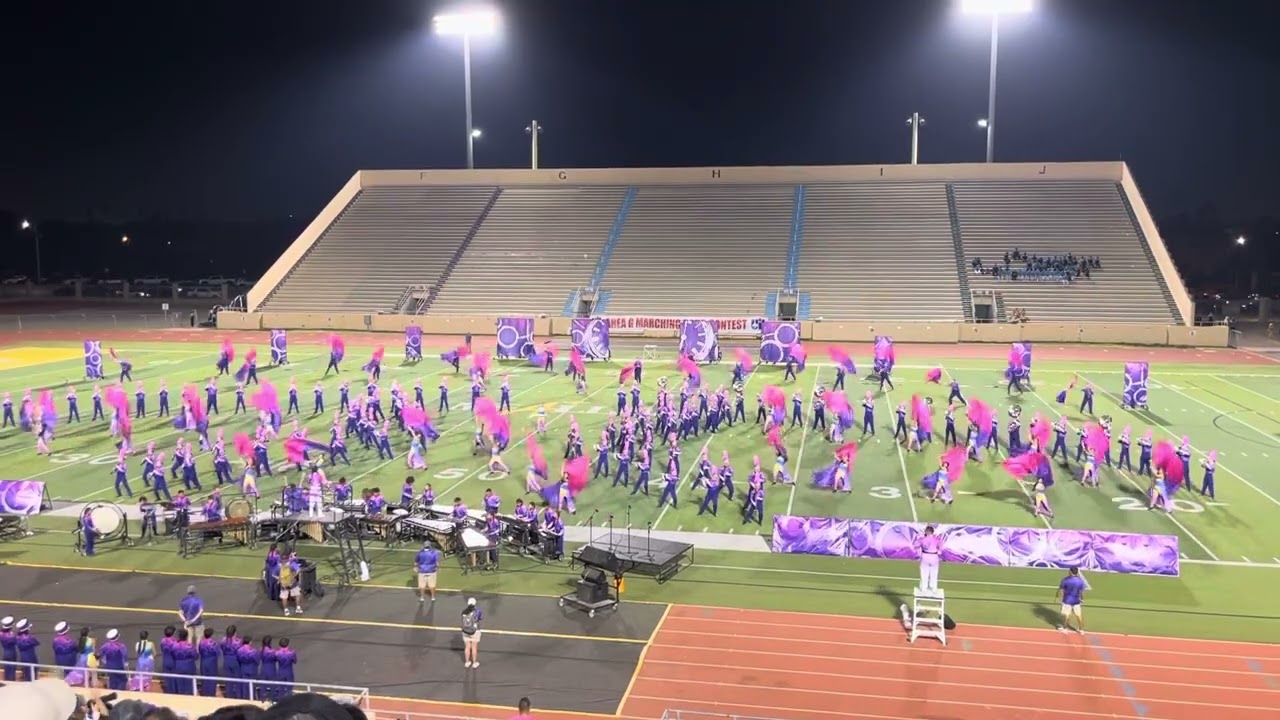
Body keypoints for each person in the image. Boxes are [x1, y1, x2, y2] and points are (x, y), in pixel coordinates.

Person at [1056, 567, 1087, 634]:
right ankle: (1081, 630)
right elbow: (1081, 592)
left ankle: (1065, 629)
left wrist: (1059, 598)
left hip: (1067, 600)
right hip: (1076, 600)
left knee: (1067, 615)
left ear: (1071, 572)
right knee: (1078, 615)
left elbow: (1061, 590)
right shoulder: (1080, 581)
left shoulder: (1066, 580)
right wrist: (1082, 599)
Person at [914, 525, 943, 596]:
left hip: (925, 556)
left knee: (924, 573)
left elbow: (915, 545)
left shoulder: (922, 539)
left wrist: (921, 542)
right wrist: (938, 551)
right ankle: (933, 588)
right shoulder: (936, 539)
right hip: (934, 557)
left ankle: (923, 588)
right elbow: (941, 547)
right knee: (934, 573)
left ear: (926, 532)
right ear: (932, 532)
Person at [461, 597, 482, 669]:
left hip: (465, 631)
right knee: (474, 647)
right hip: (475, 631)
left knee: (467, 647)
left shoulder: (463, 612)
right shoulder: (477, 612)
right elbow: (480, 618)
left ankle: (467, 662)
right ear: (475, 604)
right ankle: (474, 663)